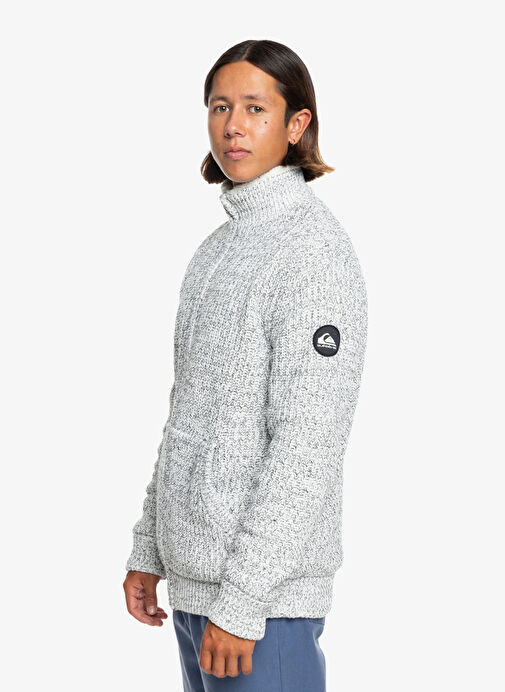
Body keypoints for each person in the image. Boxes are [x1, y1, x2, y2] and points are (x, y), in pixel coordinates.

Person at [123, 39, 368, 691]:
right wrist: (151, 546)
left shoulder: (313, 256)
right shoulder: (216, 251)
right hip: (198, 594)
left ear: (296, 125)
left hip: (261, 609)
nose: (233, 125)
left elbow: (307, 446)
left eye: (256, 108)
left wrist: (243, 602)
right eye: (220, 106)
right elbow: (187, 416)